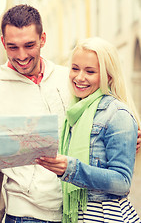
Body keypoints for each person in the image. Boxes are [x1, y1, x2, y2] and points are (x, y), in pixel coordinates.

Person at [0, 4, 141, 223]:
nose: (22, 55)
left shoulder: (70, 79)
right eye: (13, 47)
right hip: (27, 215)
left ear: (43, 39)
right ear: (3, 43)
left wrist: (126, 138)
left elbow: (97, 124)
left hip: (76, 212)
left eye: (29, 45)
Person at [36, 37, 141, 223]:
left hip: (106, 215)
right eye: (75, 68)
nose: (79, 77)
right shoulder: (75, 111)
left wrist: (72, 168)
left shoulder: (117, 114)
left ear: (109, 76)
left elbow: (123, 182)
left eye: (90, 71)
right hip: (79, 215)